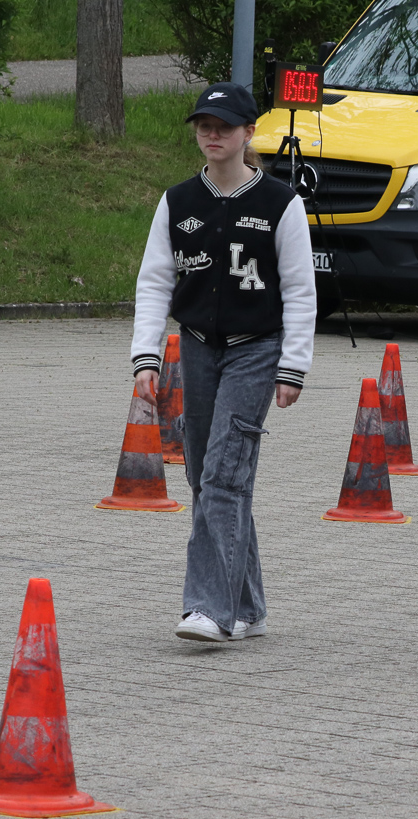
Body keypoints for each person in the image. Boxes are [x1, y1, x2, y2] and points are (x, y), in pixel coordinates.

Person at [130, 82, 317, 643]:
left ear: (248, 133)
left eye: (225, 126)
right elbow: (154, 282)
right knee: (205, 477)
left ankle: (209, 609)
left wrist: (293, 365)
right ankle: (249, 608)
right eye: (204, 126)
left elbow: (301, 290)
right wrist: (146, 357)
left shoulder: (281, 203)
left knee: (223, 477)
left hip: (256, 349)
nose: (213, 135)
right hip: (196, 347)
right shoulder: (177, 201)